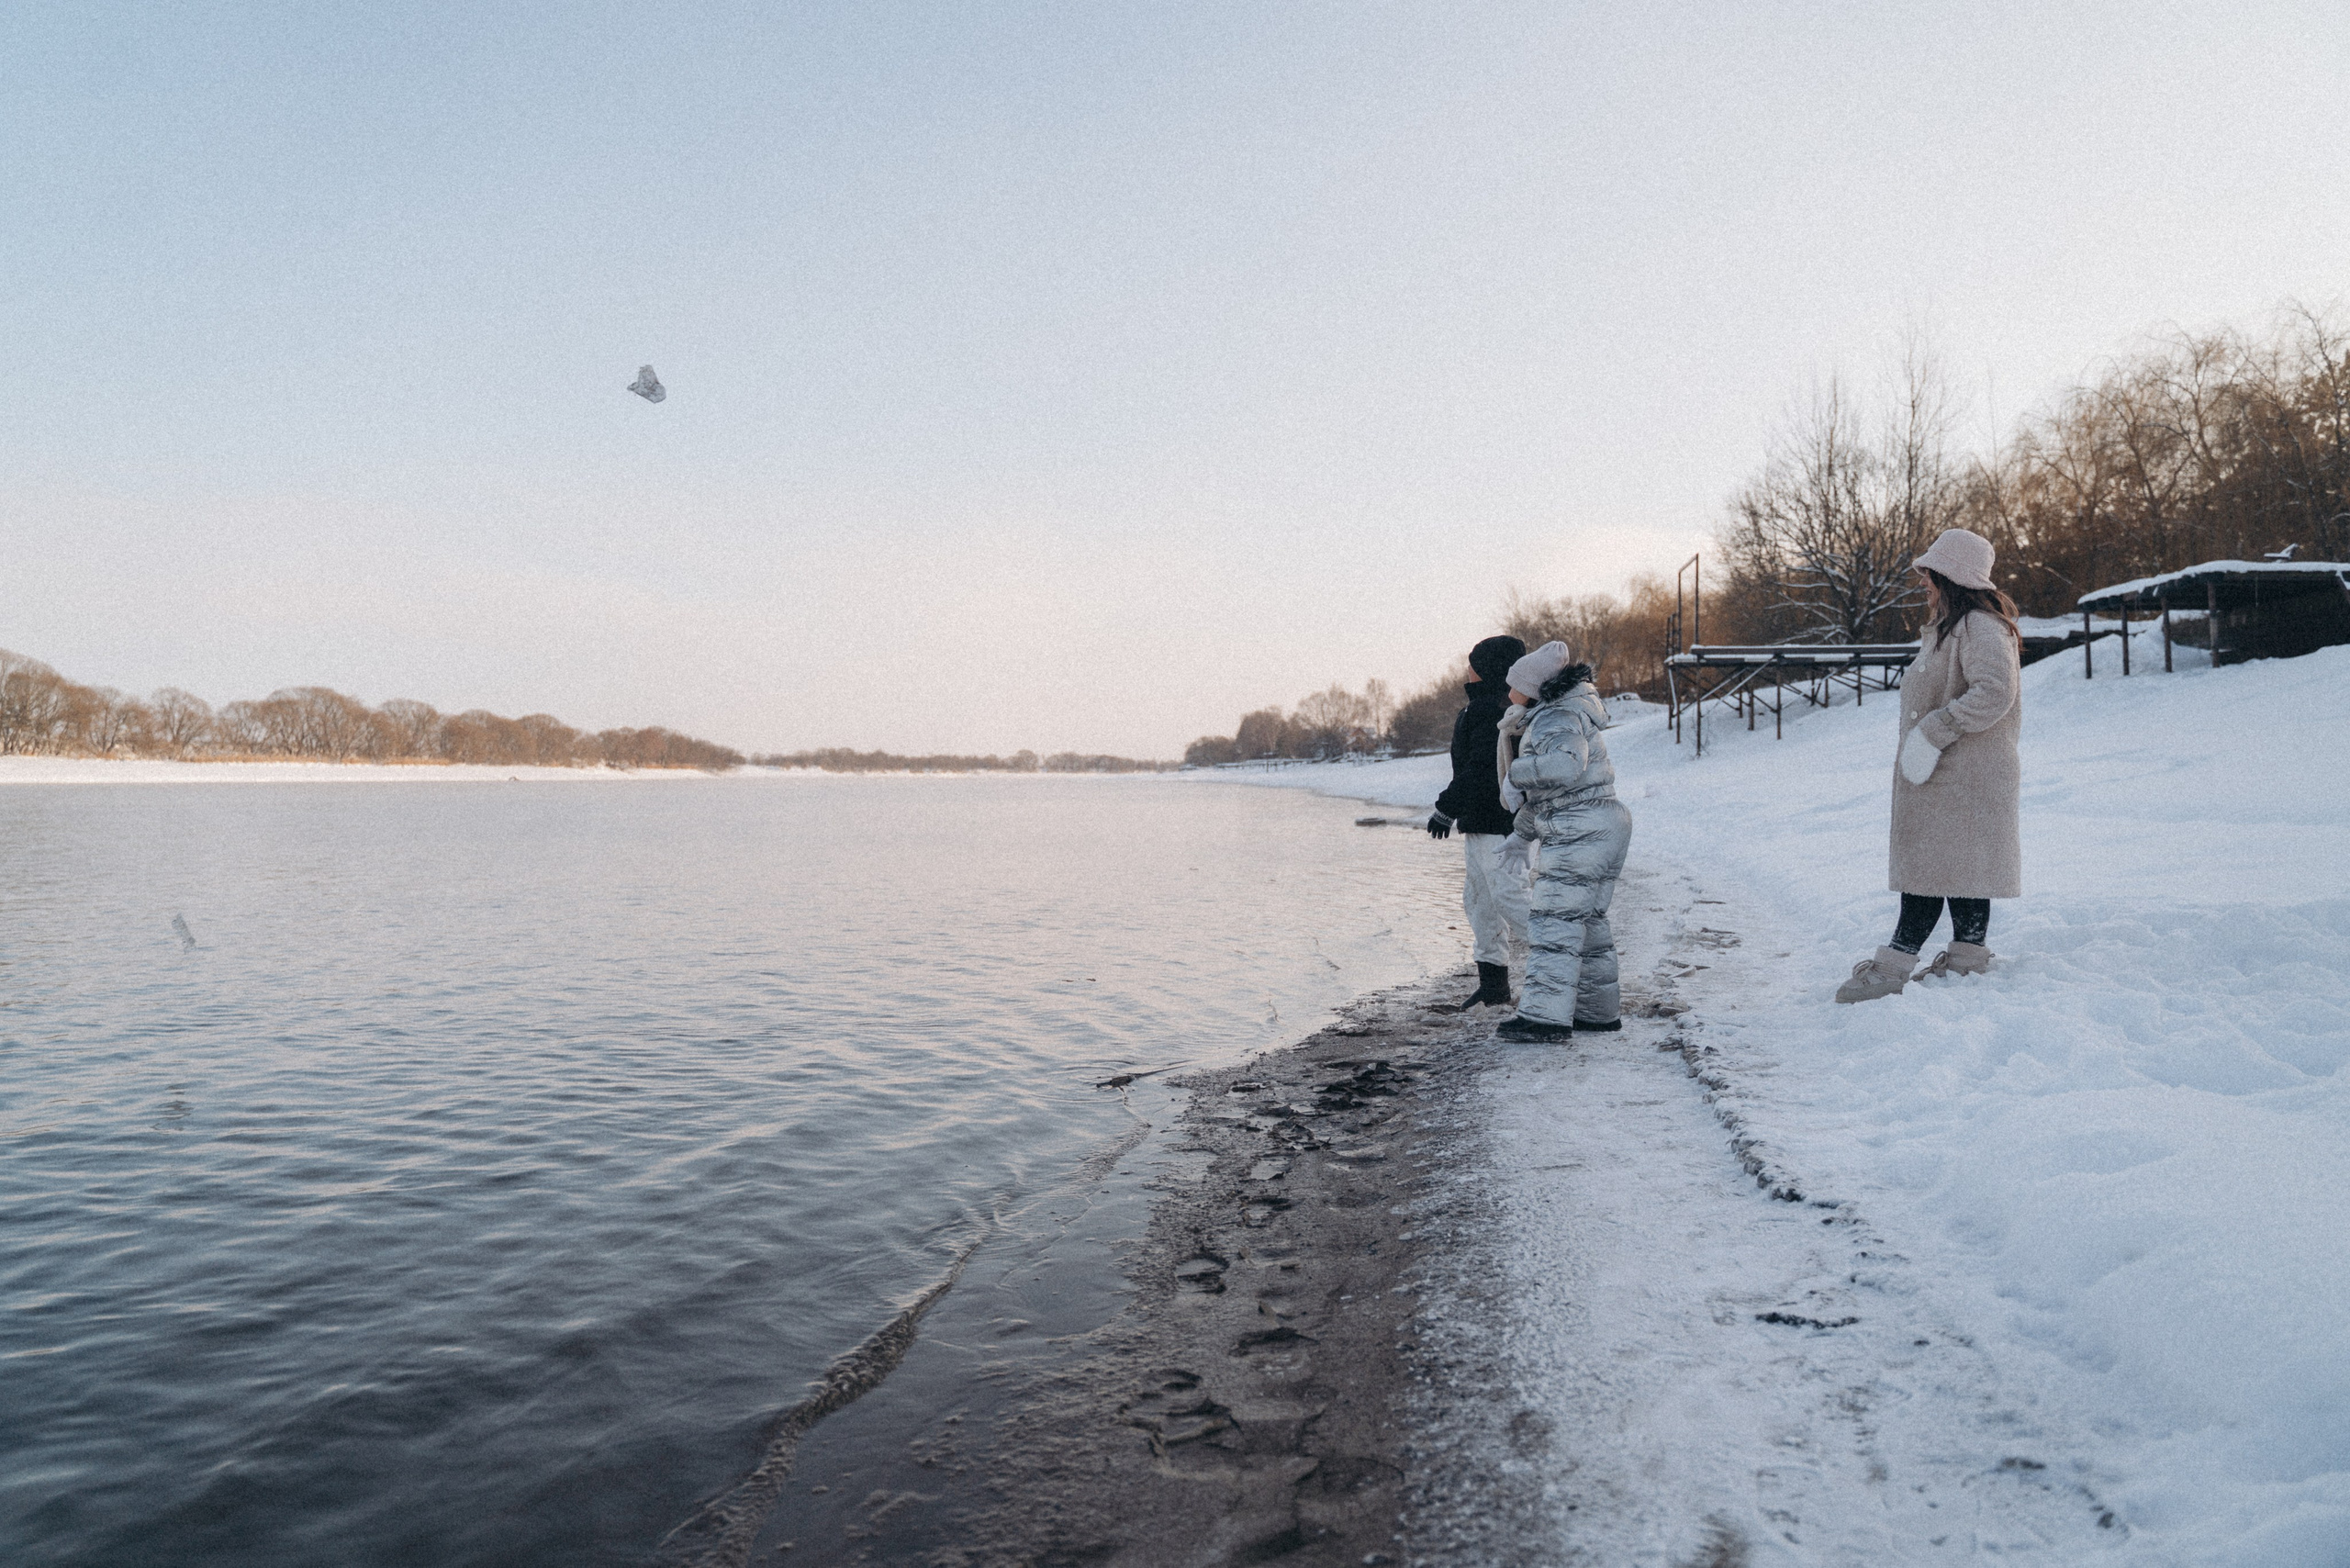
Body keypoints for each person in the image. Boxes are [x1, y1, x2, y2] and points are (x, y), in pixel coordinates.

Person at [1836, 528, 2023, 1002]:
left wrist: (1935, 731)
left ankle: (1895, 964)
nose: (1923, 581)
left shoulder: (1981, 627)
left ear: (1951, 575)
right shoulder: (1951, 628)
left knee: (1934, 867)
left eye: (1929, 573)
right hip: (1947, 775)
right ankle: (1966, 960)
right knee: (1957, 867)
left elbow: (1995, 692)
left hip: (1965, 774)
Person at [1489, 641, 1633, 1042]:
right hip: (1600, 821)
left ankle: (1544, 1018)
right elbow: (1562, 795)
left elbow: (1567, 767)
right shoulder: (1566, 711)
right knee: (1587, 922)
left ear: (1532, 687)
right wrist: (1521, 835)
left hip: (1581, 830)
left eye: (1513, 685)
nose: (1508, 693)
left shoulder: (1554, 717)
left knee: (1554, 922)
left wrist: (1516, 772)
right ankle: (1597, 1014)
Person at [1427, 634, 1529, 1010]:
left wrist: (1445, 808)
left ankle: (1561, 967)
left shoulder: (1491, 710)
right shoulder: (1480, 707)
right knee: (1480, 902)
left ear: (1487, 670)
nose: (1466, 668)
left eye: (1472, 663)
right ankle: (1494, 986)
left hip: (1498, 824)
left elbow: (1481, 770)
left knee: (1510, 897)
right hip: (1480, 823)